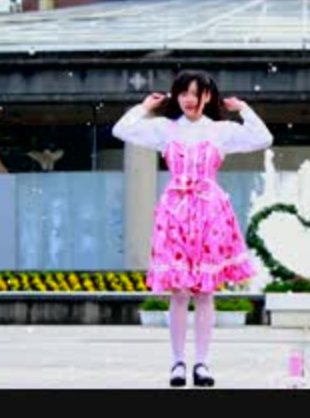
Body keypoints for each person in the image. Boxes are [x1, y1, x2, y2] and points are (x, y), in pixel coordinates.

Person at [112, 70, 273, 387]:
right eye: (183, 93)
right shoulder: (165, 128)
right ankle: (177, 363)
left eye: (195, 93)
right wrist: (144, 107)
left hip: (209, 213)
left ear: (207, 96)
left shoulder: (220, 131)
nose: (188, 99)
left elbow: (263, 138)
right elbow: (121, 130)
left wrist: (244, 109)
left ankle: (201, 363)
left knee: (204, 292)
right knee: (179, 292)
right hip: (175, 214)